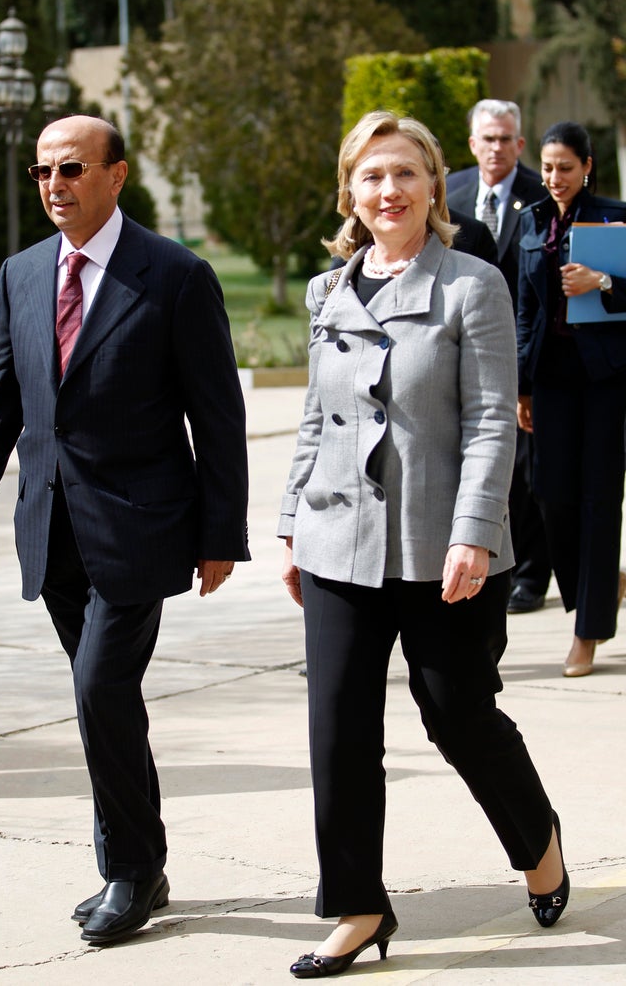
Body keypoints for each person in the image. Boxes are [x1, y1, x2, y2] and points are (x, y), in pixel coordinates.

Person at [0, 115, 249, 945]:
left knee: (99, 690)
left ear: (118, 174)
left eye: (70, 168)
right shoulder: (22, 274)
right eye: (40, 172)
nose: (53, 186)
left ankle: (130, 871)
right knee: (107, 701)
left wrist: (223, 533)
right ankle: (144, 858)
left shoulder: (177, 275)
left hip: (143, 528)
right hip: (52, 528)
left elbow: (216, 415)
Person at [278, 110, 568, 979]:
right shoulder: (327, 294)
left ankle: (538, 841)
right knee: (336, 729)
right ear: (350, 193)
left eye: (404, 173)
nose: (388, 190)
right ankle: (359, 907)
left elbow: (490, 424)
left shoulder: (471, 286)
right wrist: (293, 523)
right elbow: (314, 421)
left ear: (434, 186)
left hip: (442, 546)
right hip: (337, 540)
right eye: (370, 177)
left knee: (458, 715)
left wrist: (475, 534)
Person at [517, 120, 626, 678]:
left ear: (587, 166)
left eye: (565, 167)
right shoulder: (531, 221)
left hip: (605, 381)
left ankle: (588, 628)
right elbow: (525, 309)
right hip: (551, 380)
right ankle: (602, 583)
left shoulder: (616, 216)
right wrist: (521, 385)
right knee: (550, 497)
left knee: (598, 501)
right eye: (547, 167)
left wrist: (601, 282)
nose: (555, 178)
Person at [448, 98, 551, 616]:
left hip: (520, 349)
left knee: (523, 474)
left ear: (519, 143)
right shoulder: (452, 193)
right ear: (473, 144)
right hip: (458, 347)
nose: (496, 147)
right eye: (487, 138)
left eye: (505, 139)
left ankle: (531, 576)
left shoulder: (540, 195)